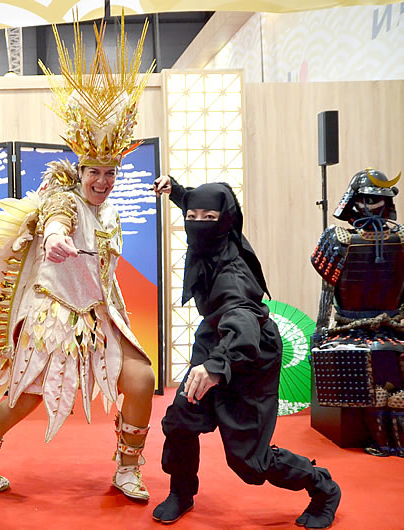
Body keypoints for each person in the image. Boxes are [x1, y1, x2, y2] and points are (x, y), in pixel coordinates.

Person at [0, 16, 157, 501]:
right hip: (55, 315)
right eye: (94, 172)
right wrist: (54, 239)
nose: (102, 181)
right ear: (80, 170)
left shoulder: (110, 213)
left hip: (101, 314)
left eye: (110, 172)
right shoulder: (64, 199)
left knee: (142, 378)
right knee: (26, 396)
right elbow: (55, 220)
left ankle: (128, 468)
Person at [151, 176, 341, 528]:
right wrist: (175, 191)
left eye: (209, 218)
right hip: (214, 339)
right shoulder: (214, 239)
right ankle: (181, 491)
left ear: (225, 220)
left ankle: (323, 487)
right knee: (181, 419)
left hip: (250, 354)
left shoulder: (233, 273)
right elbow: (194, 203)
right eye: (193, 216)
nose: (199, 223)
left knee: (248, 461)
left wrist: (215, 367)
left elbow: (244, 324)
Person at [310, 168, 404, 457]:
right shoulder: (338, 238)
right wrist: (320, 329)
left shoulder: (401, 238)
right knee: (374, 387)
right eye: (366, 198)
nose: (371, 205)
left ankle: (394, 443)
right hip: (349, 329)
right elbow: (328, 290)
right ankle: (383, 442)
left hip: (392, 326)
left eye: (377, 199)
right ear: (353, 200)